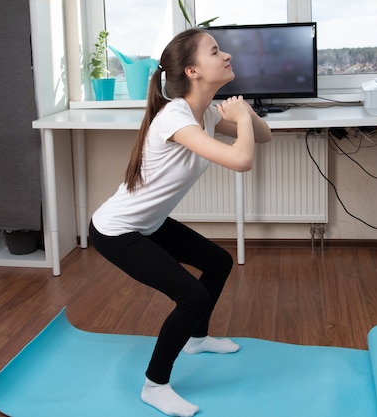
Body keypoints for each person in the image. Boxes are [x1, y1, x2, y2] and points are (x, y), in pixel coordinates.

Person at [89, 28, 272, 417]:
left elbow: (264, 136)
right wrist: (238, 118)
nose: (227, 56)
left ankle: (197, 339)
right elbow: (242, 160)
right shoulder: (175, 118)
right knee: (192, 296)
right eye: (215, 51)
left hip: (148, 224)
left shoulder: (202, 113)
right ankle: (155, 386)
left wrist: (245, 113)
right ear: (192, 71)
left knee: (218, 262)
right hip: (116, 232)